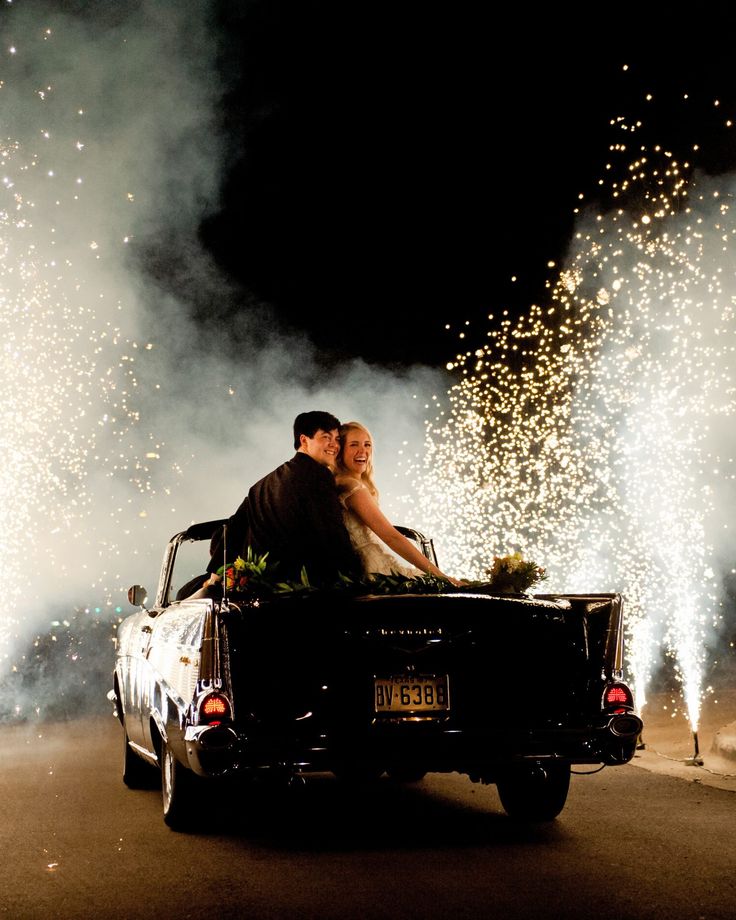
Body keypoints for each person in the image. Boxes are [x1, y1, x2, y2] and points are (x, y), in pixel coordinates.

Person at [207, 410, 361, 587]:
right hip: (301, 590)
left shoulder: (262, 485)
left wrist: (215, 576)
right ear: (304, 440)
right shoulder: (319, 475)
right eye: (326, 437)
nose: (335, 445)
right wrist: (354, 577)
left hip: (259, 588)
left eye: (337, 439)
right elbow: (332, 534)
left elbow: (233, 527)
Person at [335, 420, 458, 582]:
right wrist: (443, 577)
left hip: (372, 564)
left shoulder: (350, 482)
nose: (362, 451)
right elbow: (391, 537)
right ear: (340, 450)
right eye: (354, 445)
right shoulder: (352, 486)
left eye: (367, 445)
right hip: (373, 571)